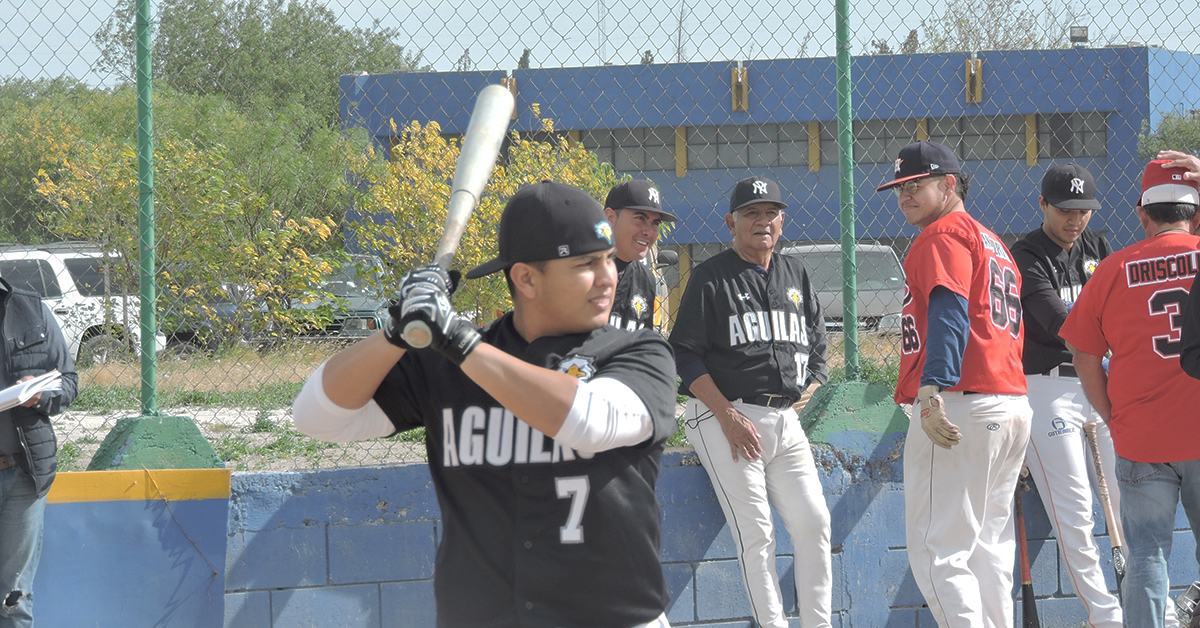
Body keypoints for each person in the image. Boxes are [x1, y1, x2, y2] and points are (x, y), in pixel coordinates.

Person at [291, 181, 678, 628]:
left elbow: (591, 422)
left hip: (612, 617)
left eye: (608, 259)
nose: (608, 276)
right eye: (586, 264)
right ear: (526, 278)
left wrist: (455, 338)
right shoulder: (451, 362)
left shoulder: (638, 352)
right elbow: (316, 418)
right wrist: (398, 331)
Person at [875, 141, 1031, 628]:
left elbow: (949, 312)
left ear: (949, 184)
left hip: (961, 401)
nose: (904, 196)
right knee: (987, 547)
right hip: (1009, 403)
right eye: (899, 188)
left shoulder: (943, 234)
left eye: (915, 185)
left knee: (938, 550)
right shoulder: (993, 241)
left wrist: (931, 388)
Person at [668, 176, 832, 628]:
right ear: (731, 222)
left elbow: (818, 344)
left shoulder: (794, 271)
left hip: (784, 420)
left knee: (815, 524)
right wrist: (727, 415)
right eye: (751, 213)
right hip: (723, 413)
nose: (763, 221)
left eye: (770, 213)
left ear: (782, 222)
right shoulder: (710, 276)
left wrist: (813, 386)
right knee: (757, 532)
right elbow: (684, 353)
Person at [1060, 159, 1200, 628]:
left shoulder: (1115, 268)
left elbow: (1081, 354)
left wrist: (1112, 415)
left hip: (1141, 436)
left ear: (1142, 214)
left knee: (1145, 557)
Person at [1010, 163, 1123, 627]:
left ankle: (1143, 605)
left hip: (1098, 378)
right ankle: (1105, 614)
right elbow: (1058, 321)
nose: (1075, 219)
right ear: (1043, 205)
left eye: (1084, 210)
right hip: (1048, 386)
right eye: (1065, 209)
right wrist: (1110, 336)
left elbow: (1123, 310)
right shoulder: (1027, 253)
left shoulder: (1098, 247)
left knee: (1124, 495)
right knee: (1075, 505)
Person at [0, 275, 78, 628]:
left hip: (23, 474)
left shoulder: (30, 310)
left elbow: (68, 383)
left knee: (13, 597)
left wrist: (39, 396)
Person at [603, 179, 677, 331]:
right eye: (640, 218)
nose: (648, 231)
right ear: (610, 218)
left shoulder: (645, 279)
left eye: (655, 223)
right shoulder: (582, 271)